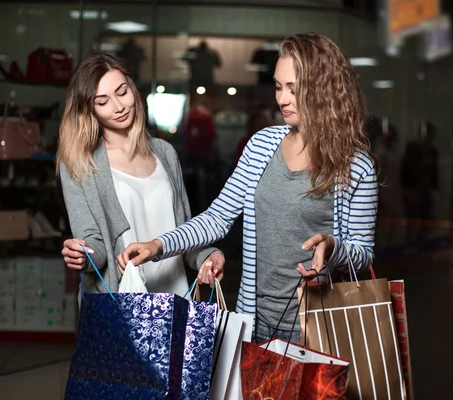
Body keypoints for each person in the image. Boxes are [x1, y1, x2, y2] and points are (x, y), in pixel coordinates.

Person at [118, 33, 378, 343]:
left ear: (323, 90)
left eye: (294, 90)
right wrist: (157, 246)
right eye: (279, 87)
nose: (281, 99)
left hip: (320, 330)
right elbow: (216, 218)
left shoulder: (356, 166)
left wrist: (333, 247)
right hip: (255, 325)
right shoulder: (262, 146)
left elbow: (362, 252)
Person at [57, 52, 224, 296]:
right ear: (88, 110)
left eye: (122, 92)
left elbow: (183, 232)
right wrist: (82, 254)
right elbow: (95, 242)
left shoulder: (164, 153)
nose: (119, 107)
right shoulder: (80, 163)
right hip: (121, 306)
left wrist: (208, 256)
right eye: (102, 102)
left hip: (175, 299)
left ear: (133, 89)